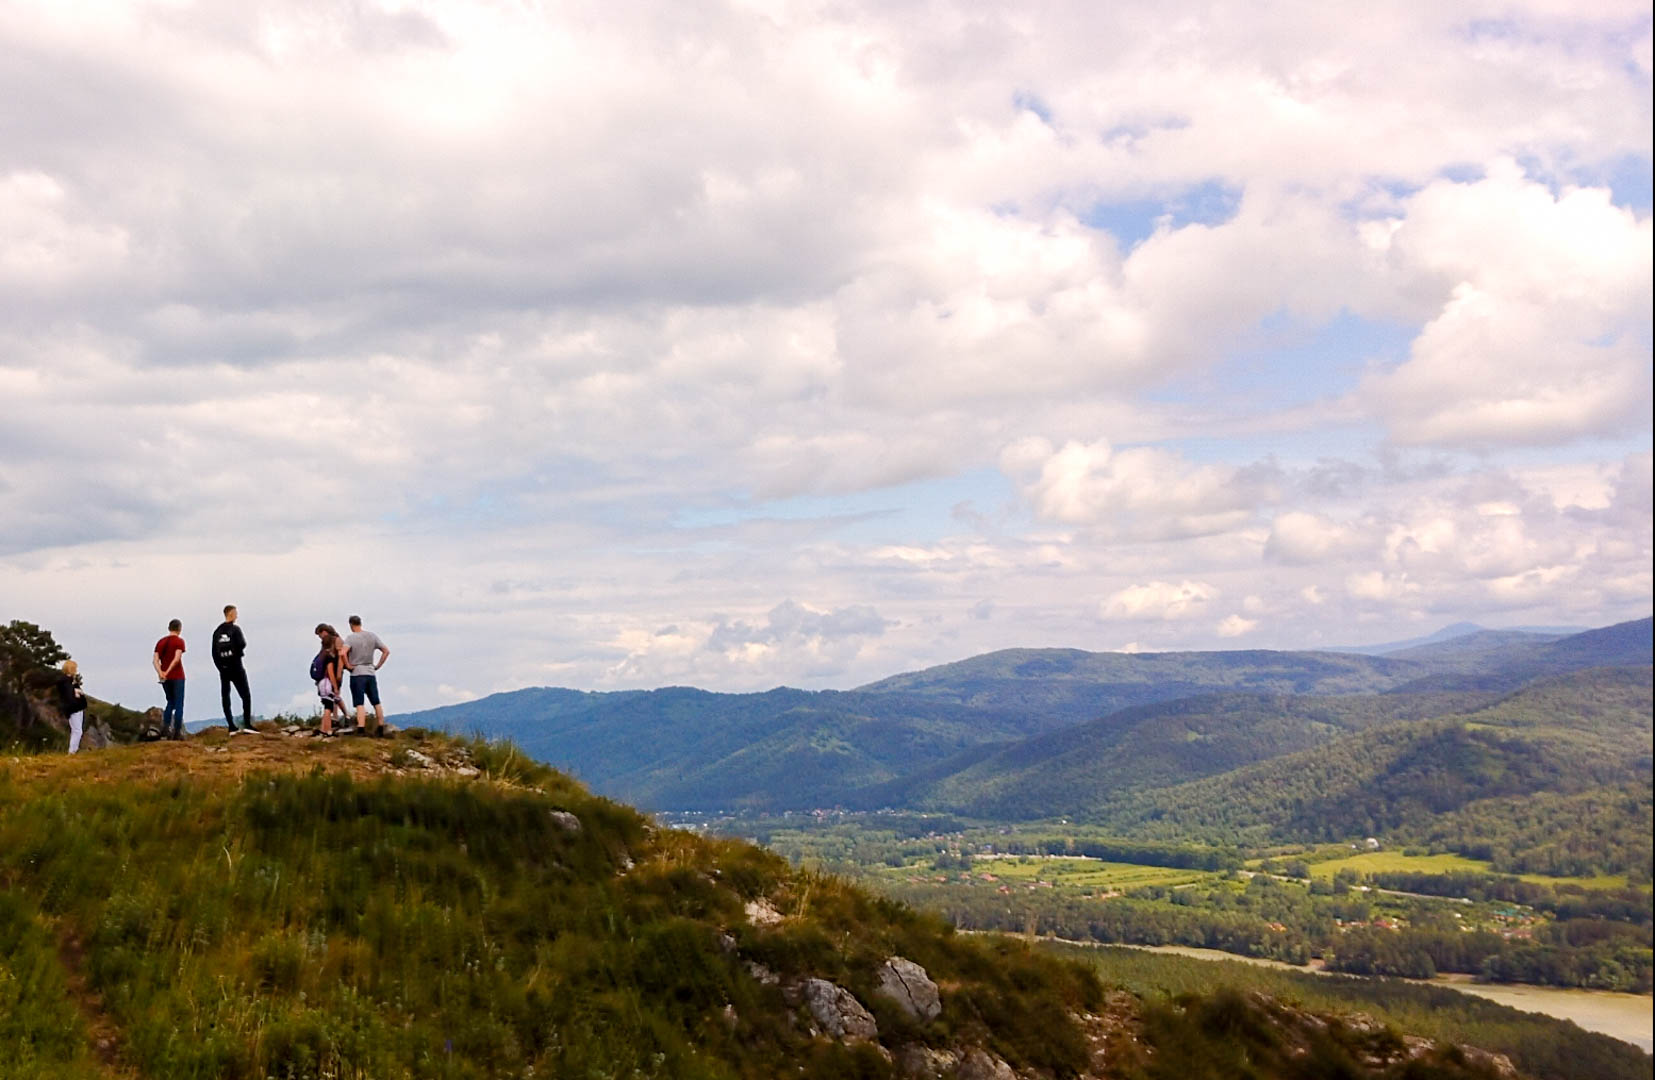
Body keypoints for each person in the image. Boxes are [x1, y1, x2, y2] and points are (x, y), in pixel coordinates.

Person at [343, 615, 391, 737]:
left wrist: (348, 665)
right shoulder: (372, 636)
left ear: (351, 625)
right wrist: (378, 665)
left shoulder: (350, 638)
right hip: (370, 671)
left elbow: (342, 653)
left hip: (357, 672)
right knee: (376, 701)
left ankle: (361, 728)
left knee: (359, 702)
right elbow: (386, 651)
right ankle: (381, 726)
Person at [213, 604, 255, 734]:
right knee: (245, 695)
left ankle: (231, 726)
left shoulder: (217, 631)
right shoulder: (235, 629)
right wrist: (237, 654)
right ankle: (247, 723)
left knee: (226, 696)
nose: (237, 615)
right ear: (230, 614)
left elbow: (214, 652)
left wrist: (220, 667)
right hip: (236, 666)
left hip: (223, 669)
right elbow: (242, 644)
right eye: (236, 612)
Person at [312, 623, 349, 736]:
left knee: (331, 700)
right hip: (329, 676)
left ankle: (333, 721)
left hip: (329, 675)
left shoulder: (332, 646)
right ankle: (338, 718)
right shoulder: (329, 650)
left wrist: (338, 673)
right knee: (333, 697)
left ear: (324, 632)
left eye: (320, 634)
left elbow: (341, 656)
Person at [153, 619, 186, 740]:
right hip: (177, 676)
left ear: (169, 628)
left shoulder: (161, 642)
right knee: (179, 704)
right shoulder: (179, 642)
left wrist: (161, 672)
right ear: (179, 629)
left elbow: (155, 660)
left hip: (165, 679)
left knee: (170, 702)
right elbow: (177, 658)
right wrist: (168, 671)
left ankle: (166, 729)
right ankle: (177, 732)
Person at [57, 659, 88, 754]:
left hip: (76, 708)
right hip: (74, 708)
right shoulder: (66, 682)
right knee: (77, 731)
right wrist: (77, 695)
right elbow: (69, 696)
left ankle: (74, 750)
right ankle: (72, 751)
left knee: (77, 730)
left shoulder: (69, 682)